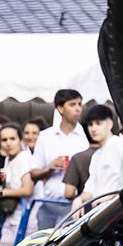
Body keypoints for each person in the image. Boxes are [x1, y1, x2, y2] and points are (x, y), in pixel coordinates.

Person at [30, 89, 87, 230]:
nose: (78, 109)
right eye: (72, 104)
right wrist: (49, 168)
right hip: (49, 204)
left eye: (80, 104)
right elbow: (33, 173)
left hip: (76, 206)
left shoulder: (87, 136)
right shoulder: (45, 136)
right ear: (60, 108)